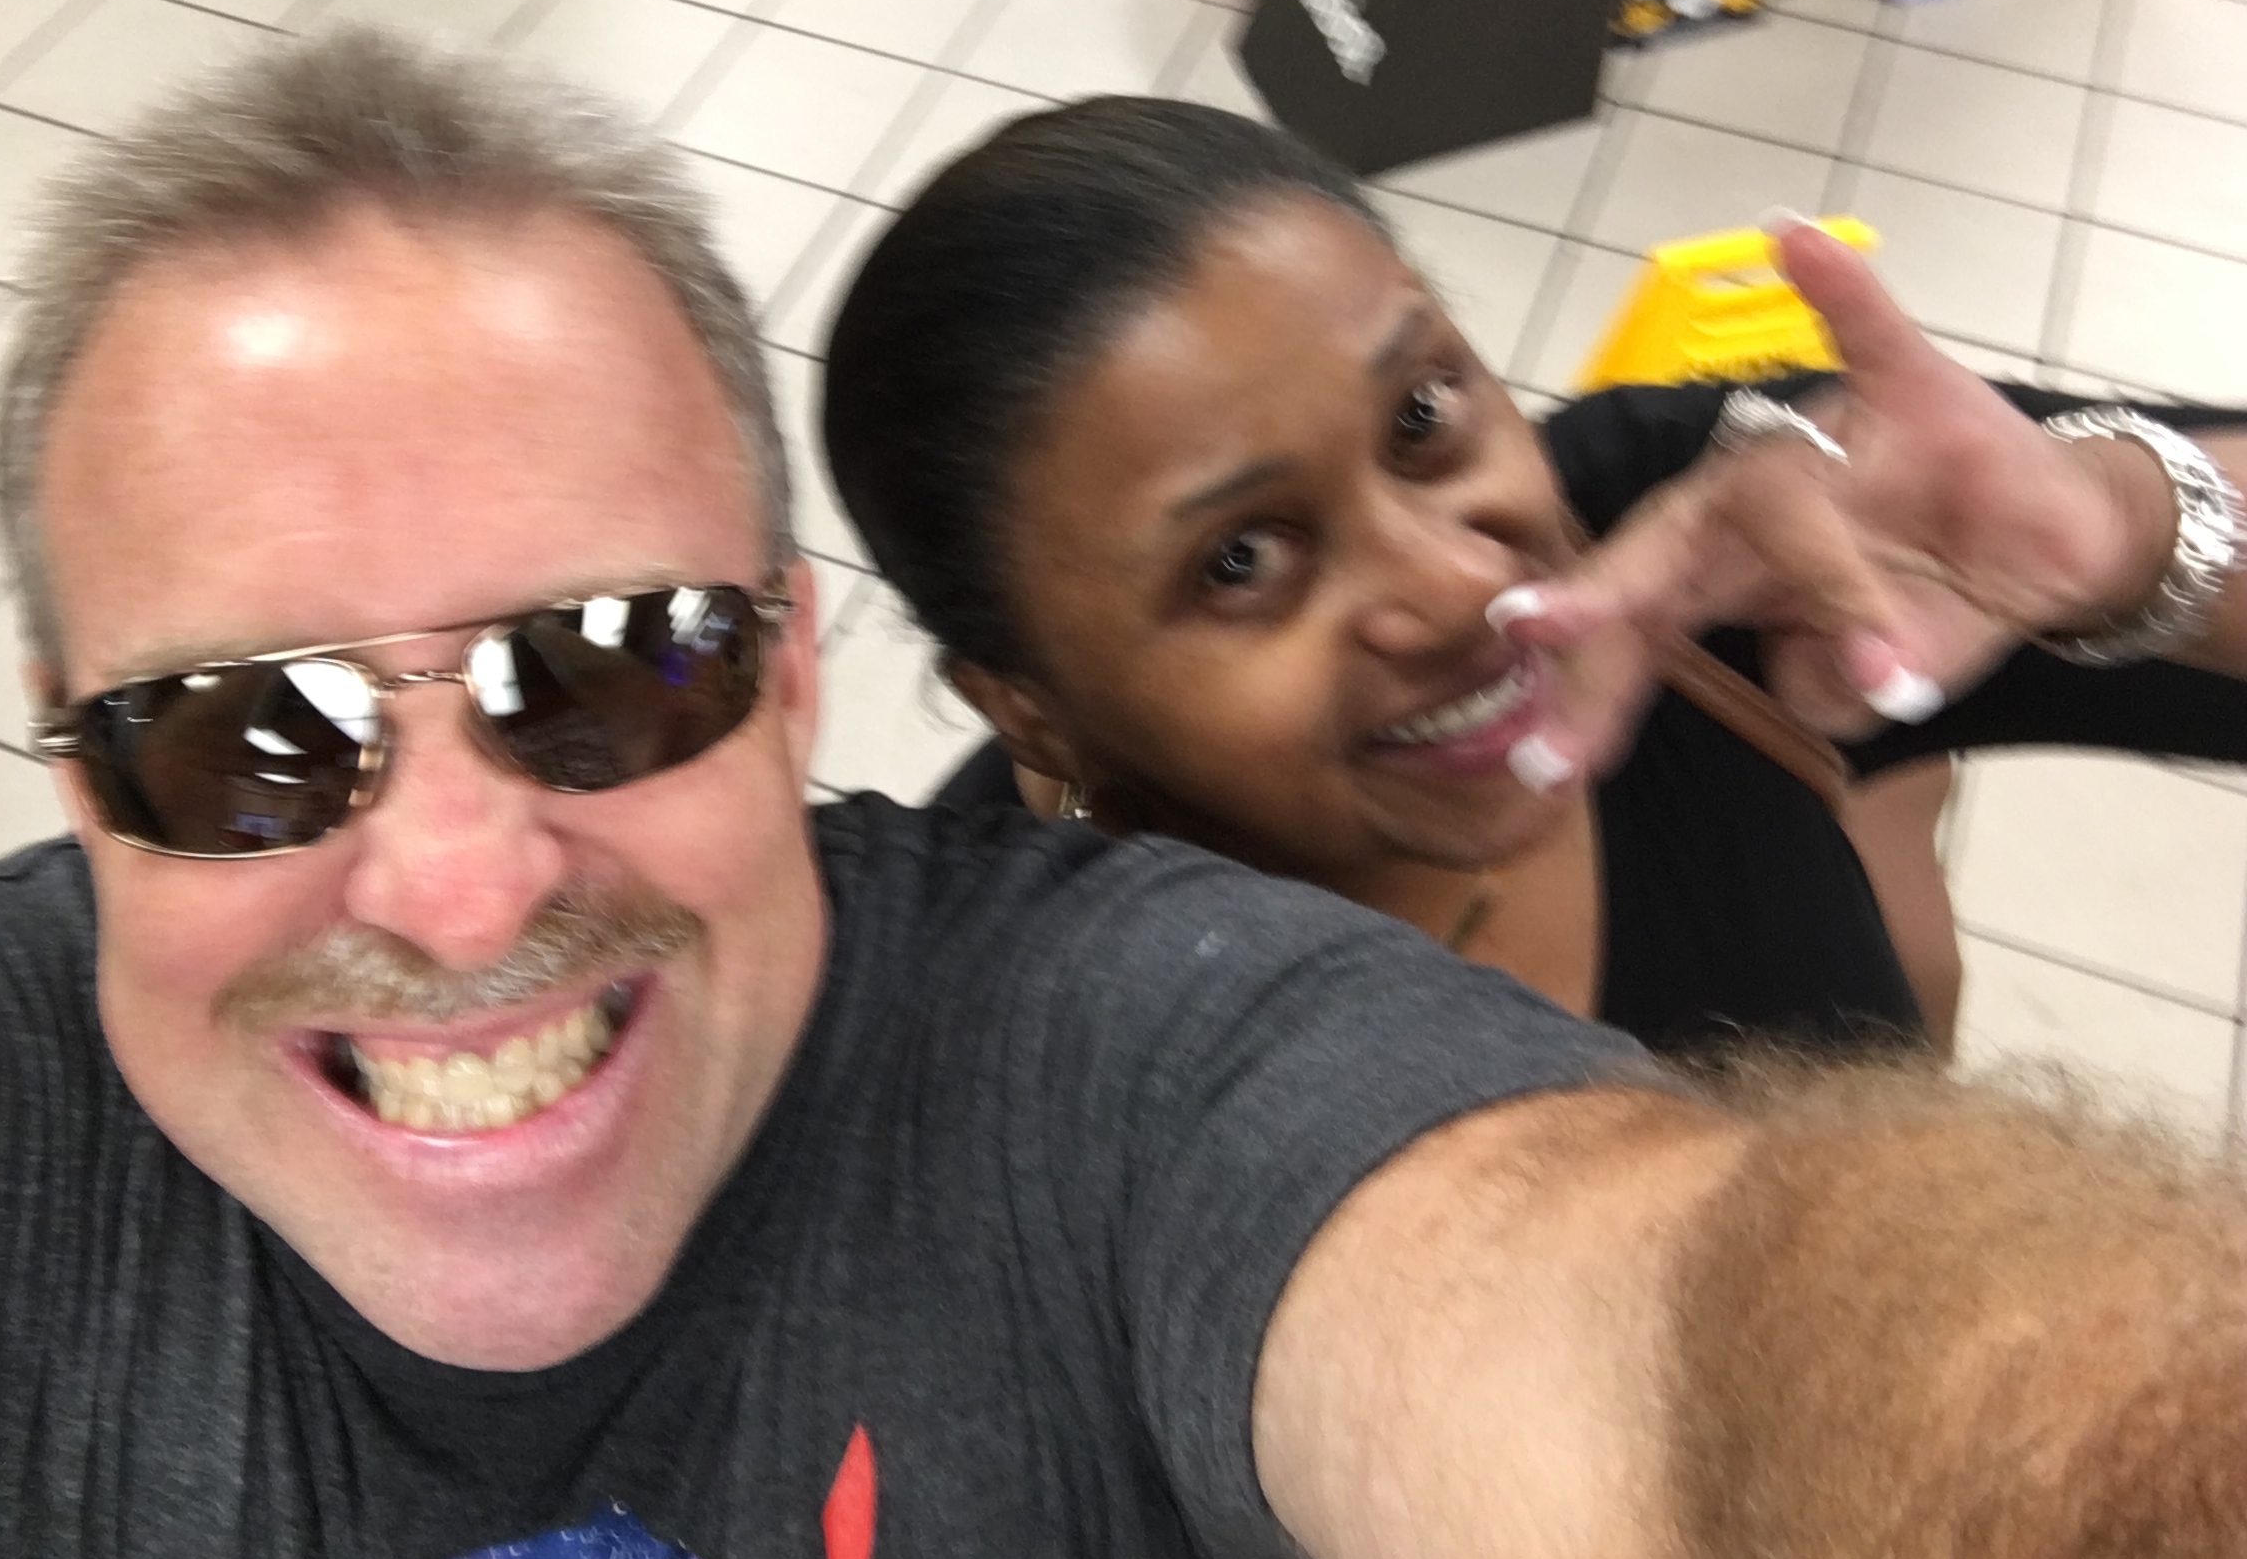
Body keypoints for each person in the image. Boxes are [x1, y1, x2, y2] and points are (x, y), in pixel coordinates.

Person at [0, 31, 2242, 1559]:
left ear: (784, 673)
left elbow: (1697, 1361)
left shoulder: (1703, 553)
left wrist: (2129, 534)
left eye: (612, 669)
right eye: (240, 735)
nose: (454, 883)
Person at [821, 97, 2247, 1057]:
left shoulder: (1706, 541)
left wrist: (2116, 530)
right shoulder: (1014, 1024)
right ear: (1032, 710)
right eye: (1240, 562)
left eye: (1423, 416)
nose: (1460, 588)